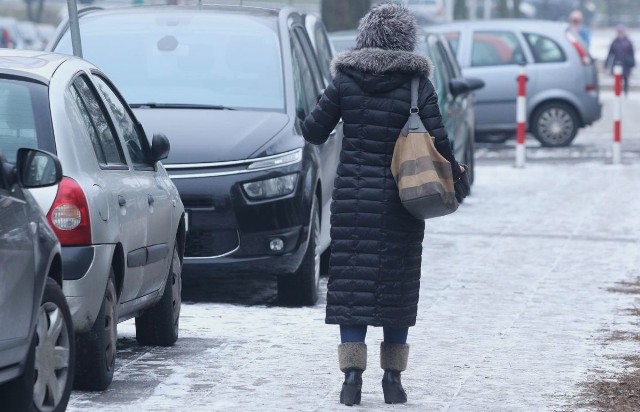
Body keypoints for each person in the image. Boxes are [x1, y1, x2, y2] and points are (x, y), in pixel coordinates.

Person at [300, 3, 469, 406]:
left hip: (354, 204)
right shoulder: (417, 85)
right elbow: (439, 140)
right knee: (397, 287)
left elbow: (314, 131)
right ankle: (393, 381)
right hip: (402, 204)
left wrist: (306, 116)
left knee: (351, 288)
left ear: (365, 37)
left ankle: (351, 382)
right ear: (407, 39)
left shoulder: (344, 81)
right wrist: (456, 174)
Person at [606, 24, 635, 95]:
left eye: (621, 31)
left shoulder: (628, 42)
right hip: (616, 63)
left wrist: (632, 63)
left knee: (626, 78)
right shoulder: (614, 41)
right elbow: (610, 53)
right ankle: (618, 93)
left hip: (626, 64)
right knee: (617, 79)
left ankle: (625, 93)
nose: (620, 33)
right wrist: (607, 63)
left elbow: (632, 53)